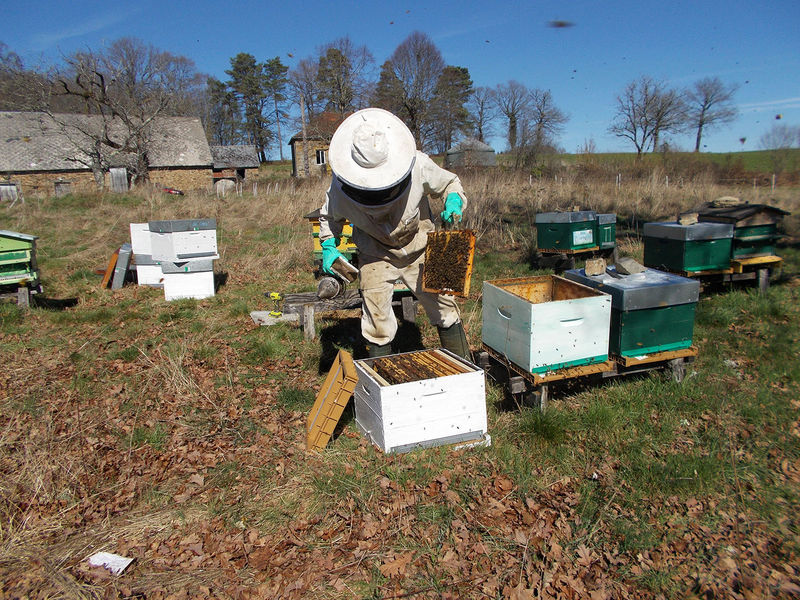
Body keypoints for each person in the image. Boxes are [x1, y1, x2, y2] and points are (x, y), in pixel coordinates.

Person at [317, 107, 471, 360]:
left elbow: (449, 183)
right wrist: (328, 245)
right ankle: (380, 385)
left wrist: (453, 200)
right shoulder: (341, 187)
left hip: (420, 249)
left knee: (445, 308)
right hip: (375, 254)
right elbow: (327, 217)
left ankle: (465, 371)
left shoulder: (418, 164)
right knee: (376, 320)